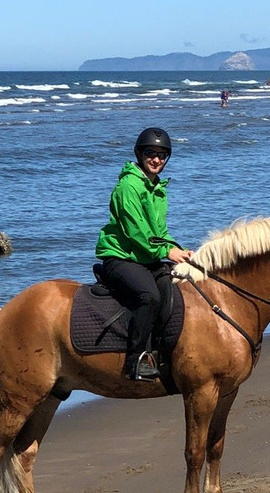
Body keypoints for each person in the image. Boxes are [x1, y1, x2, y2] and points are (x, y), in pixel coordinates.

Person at [96, 127, 193, 380]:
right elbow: (136, 232)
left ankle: (163, 350)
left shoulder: (157, 188)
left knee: (174, 287)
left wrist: (178, 249)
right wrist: (165, 250)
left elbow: (159, 231)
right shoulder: (128, 186)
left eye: (162, 155)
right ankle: (135, 361)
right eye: (151, 153)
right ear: (139, 154)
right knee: (149, 296)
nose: (156, 159)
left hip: (145, 257)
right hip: (120, 257)